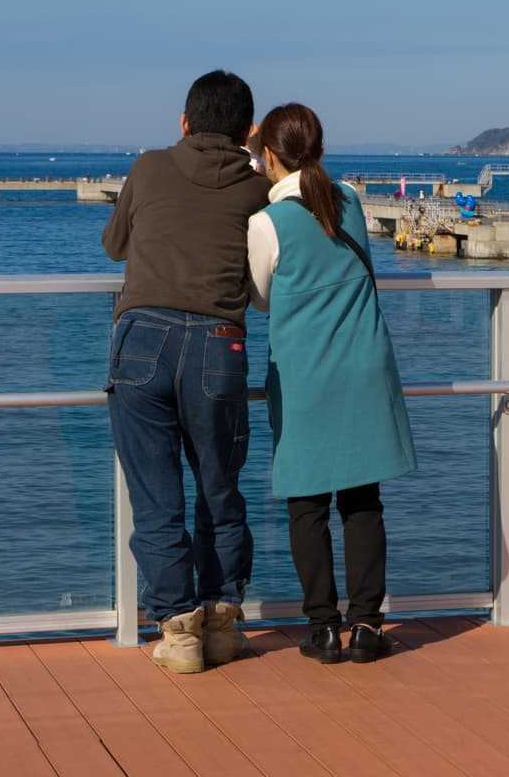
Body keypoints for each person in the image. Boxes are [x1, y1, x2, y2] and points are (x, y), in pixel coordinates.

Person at [103, 70, 270, 675]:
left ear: (183, 122)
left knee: (156, 500)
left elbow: (114, 245)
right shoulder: (257, 190)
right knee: (219, 492)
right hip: (219, 347)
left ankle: (178, 634)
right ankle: (223, 622)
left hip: (142, 339)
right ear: (248, 132)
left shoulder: (148, 167)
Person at [248, 103, 416, 665]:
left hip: (305, 374)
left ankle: (322, 627)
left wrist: (253, 161)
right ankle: (368, 624)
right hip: (362, 366)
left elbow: (260, 297)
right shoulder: (348, 199)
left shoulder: (266, 223)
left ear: (267, 153)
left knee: (307, 503)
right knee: (363, 499)